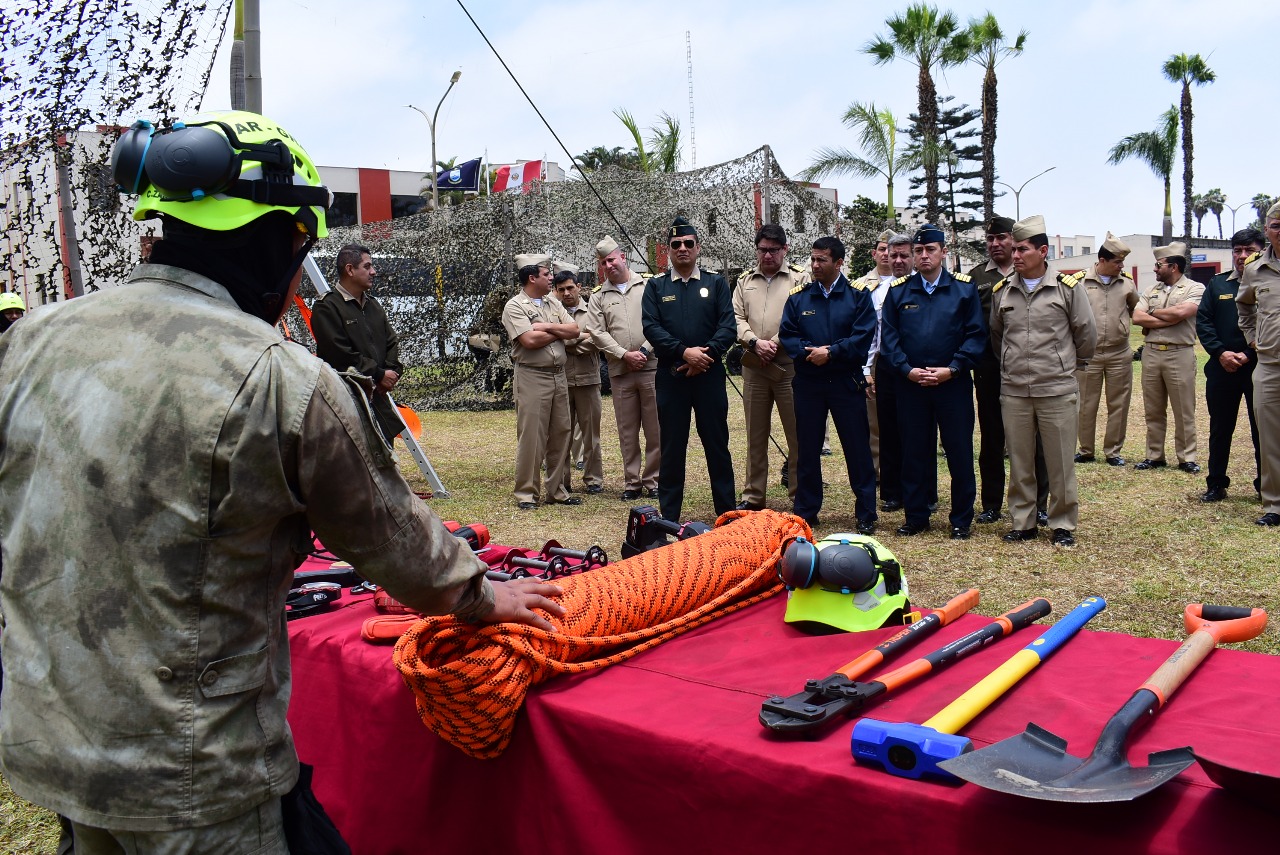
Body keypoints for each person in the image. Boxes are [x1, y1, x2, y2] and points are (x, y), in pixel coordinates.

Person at [0, 110, 563, 852]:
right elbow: (392, 538)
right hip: (196, 776)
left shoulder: (30, 342)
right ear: (279, 241)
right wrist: (480, 594)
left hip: (52, 747)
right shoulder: (280, 378)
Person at [990, 215, 1097, 548]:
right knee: (1020, 461)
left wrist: (1066, 367)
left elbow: (1086, 333)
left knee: (1060, 462)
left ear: (1043, 251)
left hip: (1056, 388)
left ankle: (1062, 523)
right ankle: (1024, 522)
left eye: (1022, 249)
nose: (1015, 255)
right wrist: (1010, 366)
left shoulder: (1067, 288)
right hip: (1015, 391)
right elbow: (997, 336)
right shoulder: (1003, 291)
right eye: (1014, 249)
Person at [879, 223, 986, 539]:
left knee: (959, 452)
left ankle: (961, 519)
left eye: (930, 250)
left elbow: (976, 335)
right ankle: (916, 516)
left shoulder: (963, 289)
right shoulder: (899, 292)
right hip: (912, 385)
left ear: (943, 252)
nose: (924, 255)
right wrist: (906, 369)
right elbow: (890, 340)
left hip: (952, 384)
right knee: (913, 452)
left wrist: (953, 368)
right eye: (919, 250)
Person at [641, 215, 736, 521]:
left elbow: (728, 327)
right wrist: (684, 353)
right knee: (672, 447)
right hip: (672, 377)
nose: (682, 248)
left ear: (698, 248)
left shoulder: (716, 283)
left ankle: (727, 513)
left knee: (717, 444)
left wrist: (704, 357)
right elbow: (651, 328)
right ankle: (669, 517)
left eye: (688, 243)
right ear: (668, 250)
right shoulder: (655, 287)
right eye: (676, 244)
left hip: (709, 376)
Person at [779, 235, 878, 530]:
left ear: (838, 263)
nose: (814, 265)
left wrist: (832, 352)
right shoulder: (799, 297)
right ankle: (807, 511)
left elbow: (863, 337)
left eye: (821, 260)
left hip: (846, 382)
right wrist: (811, 353)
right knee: (807, 449)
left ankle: (866, 513)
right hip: (809, 383)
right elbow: (788, 335)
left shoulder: (858, 296)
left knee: (857, 449)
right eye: (813, 259)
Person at [970, 216, 1048, 525]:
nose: (995, 244)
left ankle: (1039, 504)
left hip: (1027, 366)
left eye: (1001, 238)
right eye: (990, 239)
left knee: (1035, 439)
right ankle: (991, 503)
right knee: (992, 437)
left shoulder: (1028, 271)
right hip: (989, 368)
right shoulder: (976, 276)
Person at [501, 254, 583, 509]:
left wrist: (542, 327)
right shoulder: (514, 306)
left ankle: (556, 491)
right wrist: (556, 330)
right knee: (532, 437)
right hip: (532, 376)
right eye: (546, 274)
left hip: (559, 375)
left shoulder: (552, 301)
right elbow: (529, 341)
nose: (551, 278)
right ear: (532, 278)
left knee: (561, 433)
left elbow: (574, 330)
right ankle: (527, 493)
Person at [733, 223, 805, 510]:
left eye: (773, 250)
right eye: (762, 249)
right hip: (755, 367)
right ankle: (753, 496)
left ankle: (800, 495)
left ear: (785, 249)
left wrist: (773, 343)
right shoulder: (744, 281)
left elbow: (801, 317)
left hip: (788, 368)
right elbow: (736, 317)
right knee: (756, 435)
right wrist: (754, 342)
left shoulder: (799, 278)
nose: (767, 255)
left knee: (797, 435)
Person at [585, 235, 660, 500]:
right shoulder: (599, 296)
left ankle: (654, 481)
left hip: (651, 367)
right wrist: (624, 355)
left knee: (655, 429)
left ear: (623, 257)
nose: (609, 265)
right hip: (621, 372)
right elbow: (596, 331)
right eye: (603, 262)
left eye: (611, 259)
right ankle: (632, 483)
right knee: (627, 431)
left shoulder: (648, 285)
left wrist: (644, 351)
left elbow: (661, 321)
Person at [311, 244, 405, 445]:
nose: (374, 272)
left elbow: (391, 341)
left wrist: (392, 372)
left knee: (385, 455)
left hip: (377, 400)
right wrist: (378, 374)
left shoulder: (373, 305)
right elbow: (339, 354)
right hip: (345, 403)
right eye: (367, 266)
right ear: (350, 270)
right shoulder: (326, 307)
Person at [1197, 228, 1264, 503]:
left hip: (1259, 366)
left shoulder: (1270, 282)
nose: (1242, 256)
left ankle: (1266, 485)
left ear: (1262, 251)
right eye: (1237, 250)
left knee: (1263, 430)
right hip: (1222, 368)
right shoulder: (1218, 284)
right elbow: (1204, 321)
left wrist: (1249, 354)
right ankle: (1216, 484)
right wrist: (1221, 352)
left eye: (1249, 250)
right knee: (1220, 428)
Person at [1132, 241, 1205, 473]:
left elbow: (1183, 312)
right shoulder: (1150, 290)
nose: (1155, 269)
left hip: (1179, 353)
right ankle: (1154, 456)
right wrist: (1168, 318)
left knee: (1183, 409)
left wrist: (1152, 313)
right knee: (1153, 409)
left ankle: (1187, 457)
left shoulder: (1195, 288)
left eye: (1159, 265)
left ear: (1173, 267)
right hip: (1152, 353)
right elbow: (1137, 317)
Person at [1074, 233, 1139, 466]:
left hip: (1118, 353)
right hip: (1088, 354)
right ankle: (1086, 450)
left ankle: (1113, 452)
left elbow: (1136, 310)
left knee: (1118, 404)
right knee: (1085, 403)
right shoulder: (1080, 282)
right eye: (1117, 262)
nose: (1121, 266)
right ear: (1102, 260)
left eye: (1123, 262)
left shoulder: (1127, 283)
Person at [1237, 202, 1280, 526]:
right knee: (1270, 438)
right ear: (1267, 230)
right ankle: (1274, 505)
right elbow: (1244, 308)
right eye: (1276, 226)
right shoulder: (1255, 269)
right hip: (1269, 366)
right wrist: (1254, 339)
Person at [553, 265, 605, 495]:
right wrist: (578, 338)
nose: (566, 293)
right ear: (556, 291)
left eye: (570, 288)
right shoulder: (552, 313)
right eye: (561, 289)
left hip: (588, 380)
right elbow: (552, 341)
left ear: (579, 287)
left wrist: (568, 342)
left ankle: (594, 480)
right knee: (561, 434)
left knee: (591, 435)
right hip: (561, 380)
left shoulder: (592, 310)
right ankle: (562, 481)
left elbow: (598, 340)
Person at [875, 233, 915, 513]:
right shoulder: (878, 291)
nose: (898, 261)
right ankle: (892, 492)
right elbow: (873, 335)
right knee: (888, 430)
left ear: (913, 256)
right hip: (887, 365)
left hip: (916, 367)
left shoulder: (924, 286)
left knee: (917, 433)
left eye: (904, 255)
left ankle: (922, 491)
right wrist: (867, 369)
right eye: (893, 255)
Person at [854, 229, 895, 486]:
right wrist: (865, 369)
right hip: (873, 361)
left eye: (892, 250)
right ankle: (877, 473)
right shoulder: (860, 287)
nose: (887, 254)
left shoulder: (912, 281)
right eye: (882, 249)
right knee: (873, 421)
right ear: (874, 254)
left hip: (903, 361)